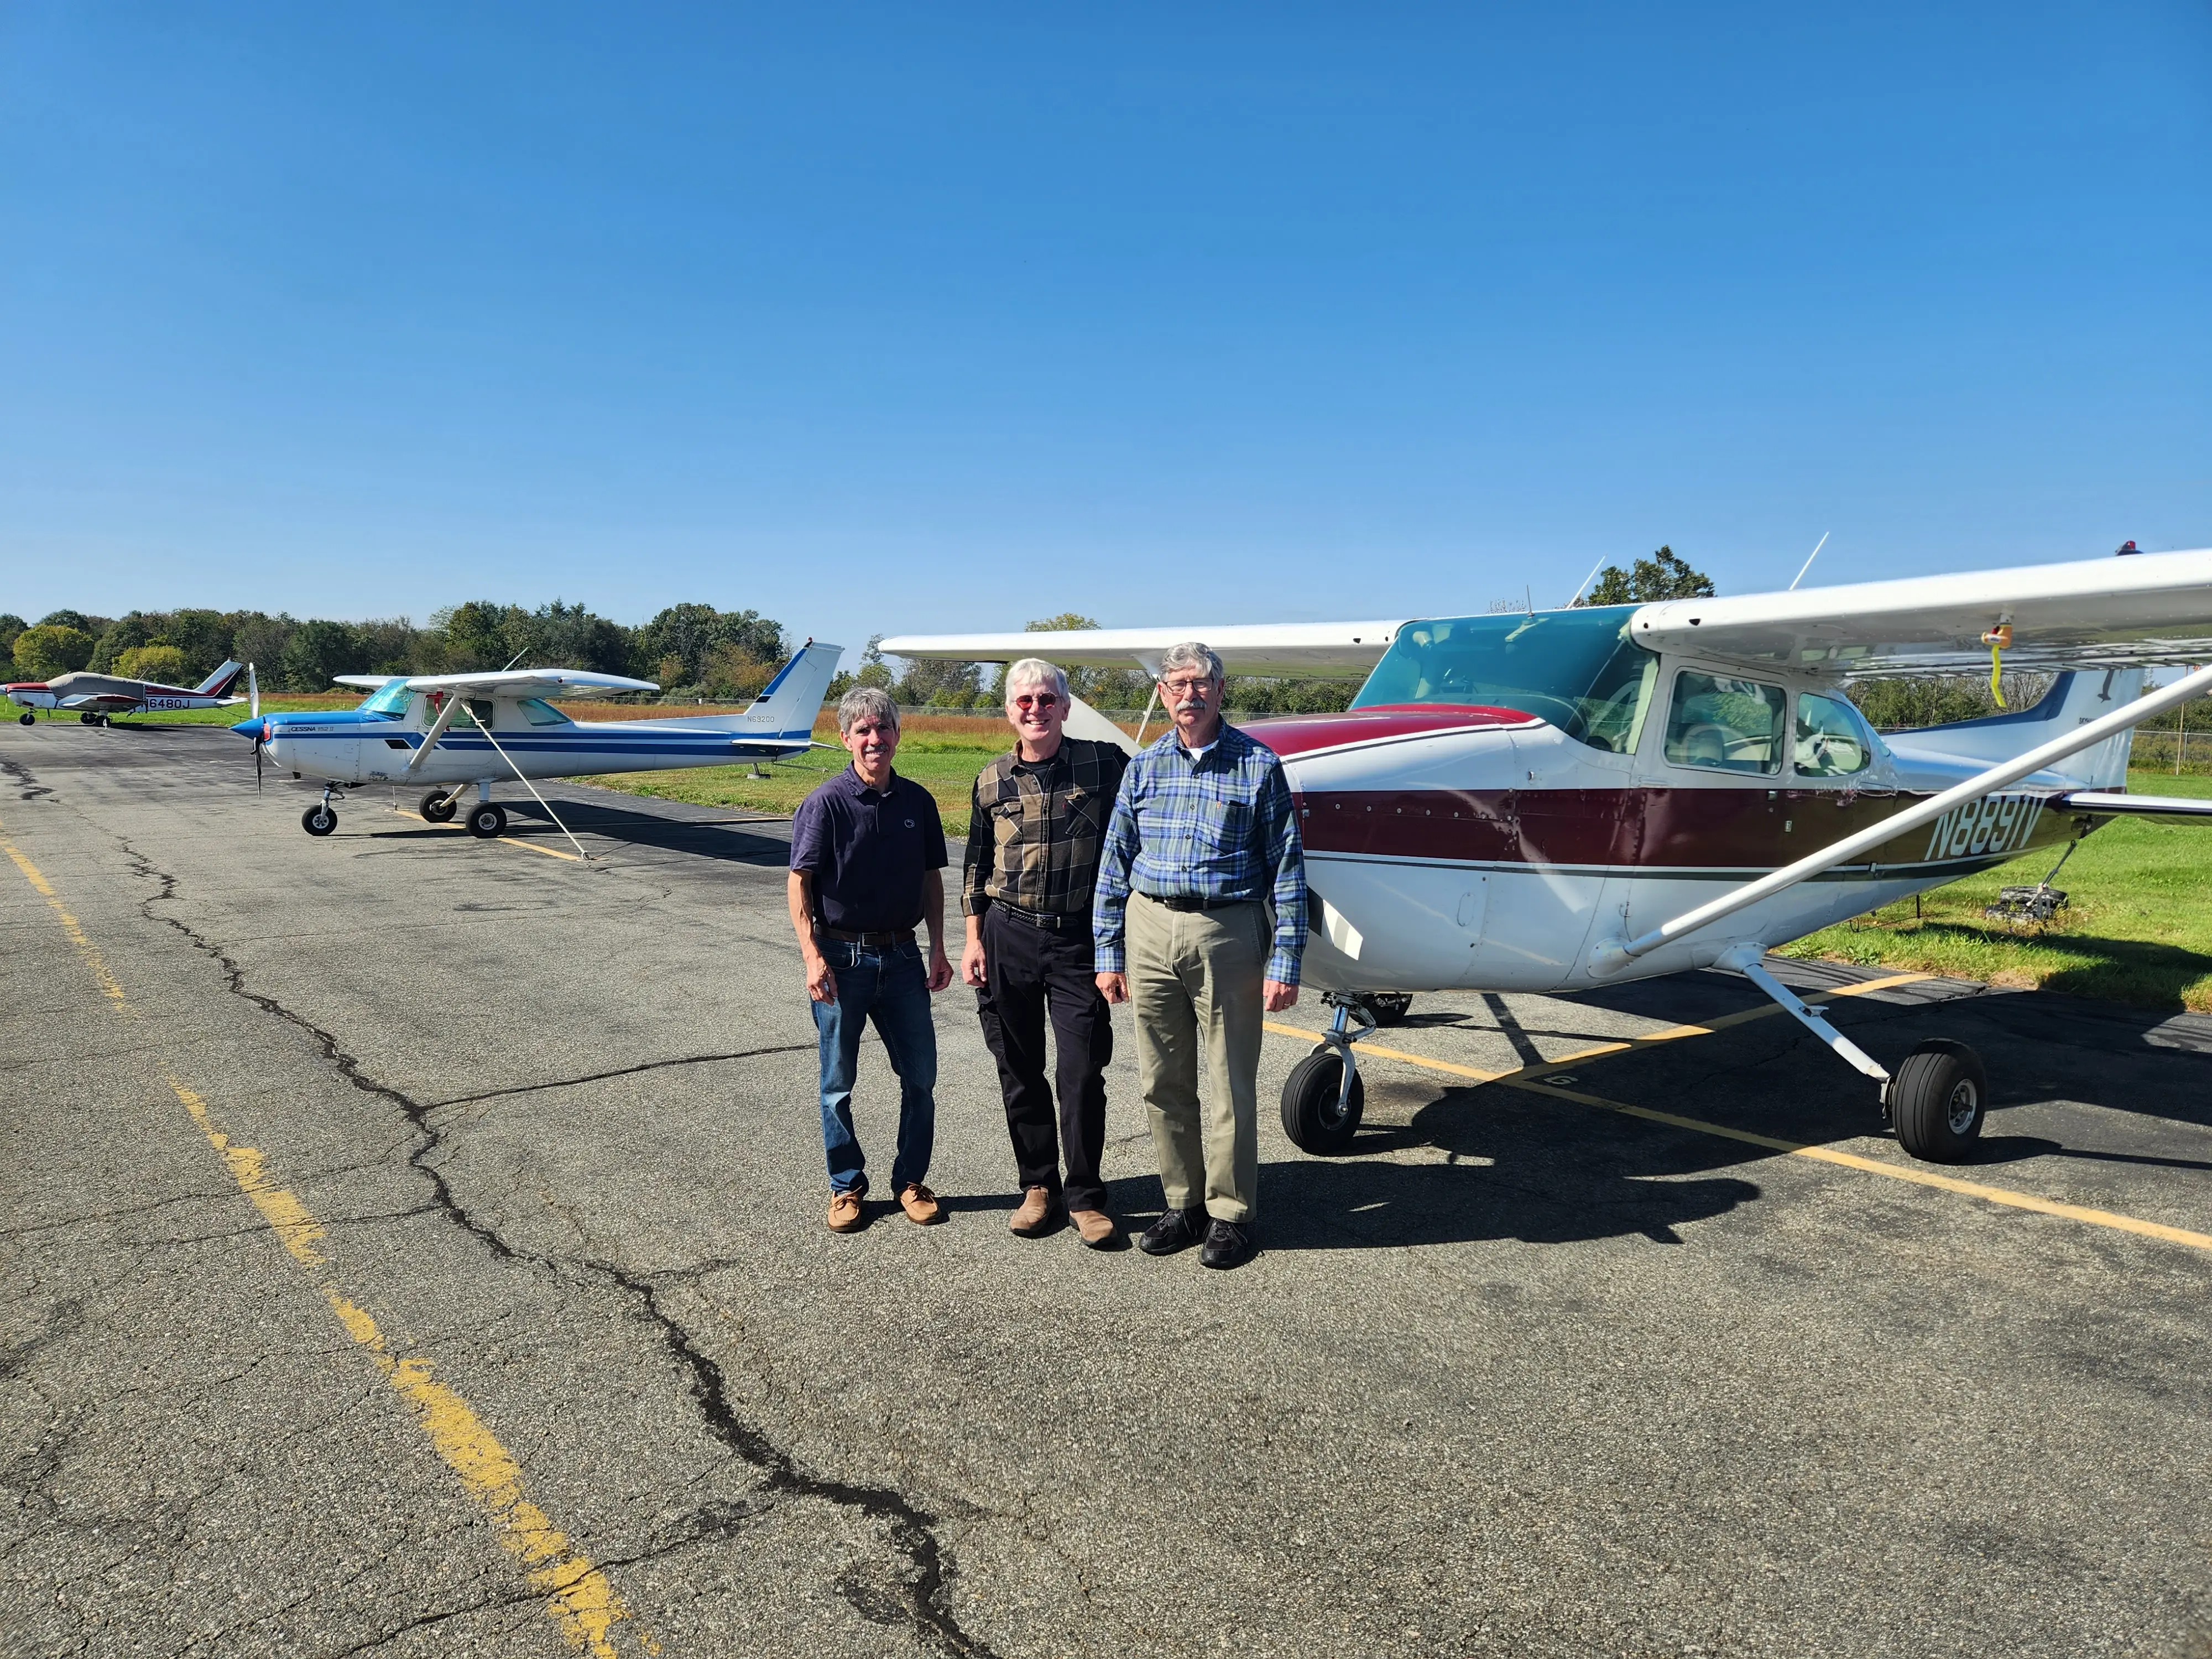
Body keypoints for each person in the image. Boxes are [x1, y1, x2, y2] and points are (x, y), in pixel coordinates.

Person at [1093, 642, 1305, 1271]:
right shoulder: (1146, 766)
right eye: (1177, 683)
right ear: (1162, 692)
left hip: (1227, 931)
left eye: (1201, 683)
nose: (1190, 694)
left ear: (1220, 690)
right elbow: (1115, 860)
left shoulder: (1258, 766)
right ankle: (1182, 1203)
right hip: (1151, 927)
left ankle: (1231, 1214)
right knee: (1162, 1080)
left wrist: (1286, 960)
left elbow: (1288, 870)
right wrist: (1109, 950)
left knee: (1229, 1084)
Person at [961, 658, 1130, 1248]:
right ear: (1009, 709)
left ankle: (1084, 1195)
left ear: (1064, 706)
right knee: (1018, 1066)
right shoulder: (990, 780)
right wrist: (973, 939)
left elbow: (1145, 821)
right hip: (1008, 933)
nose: (1035, 709)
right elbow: (976, 866)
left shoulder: (1104, 763)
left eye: (1046, 699)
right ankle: (1037, 1186)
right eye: (1023, 701)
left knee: (1081, 1071)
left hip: (1078, 938)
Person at [787, 686, 955, 1234]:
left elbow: (931, 879)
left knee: (921, 1077)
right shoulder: (825, 803)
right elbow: (800, 882)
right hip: (840, 958)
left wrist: (937, 947)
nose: (874, 739)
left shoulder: (917, 803)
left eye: (882, 729)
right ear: (845, 738)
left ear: (896, 736)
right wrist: (813, 955)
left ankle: (910, 1180)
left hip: (903, 958)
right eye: (862, 731)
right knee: (837, 1081)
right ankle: (846, 1186)